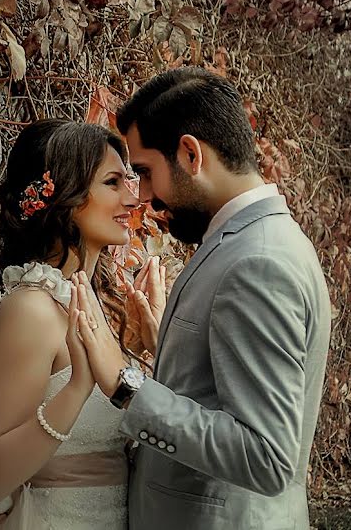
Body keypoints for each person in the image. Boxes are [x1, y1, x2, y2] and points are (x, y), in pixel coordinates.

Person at [71, 66, 332, 529]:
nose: (146, 198)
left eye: (147, 172)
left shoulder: (259, 261)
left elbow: (266, 458)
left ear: (191, 153)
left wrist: (126, 384)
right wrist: (163, 343)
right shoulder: (249, 239)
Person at [0, 119, 163, 529]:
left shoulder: (93, 305)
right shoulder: (30, 310)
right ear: (66, 195)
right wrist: (77, 387)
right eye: (113, 182)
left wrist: (160, 347)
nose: (132, 199)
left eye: (130, 180)